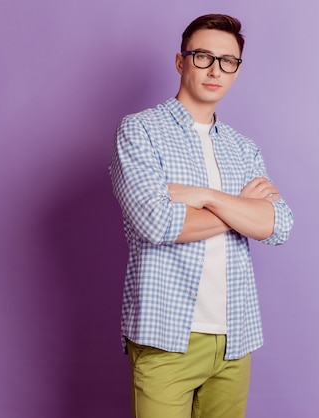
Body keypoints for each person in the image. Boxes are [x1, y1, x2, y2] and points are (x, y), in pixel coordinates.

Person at [109, 13, 294, 418]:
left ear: (237, 70)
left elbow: (278, 225)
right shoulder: (140, 131)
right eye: (203, 56)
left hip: (235, 338)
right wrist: (240, 207)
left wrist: (205, 196)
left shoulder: (243, 149)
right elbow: (157, 223)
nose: (215, 70)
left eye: (228, 61)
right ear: (180, 61)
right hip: (165, 338)